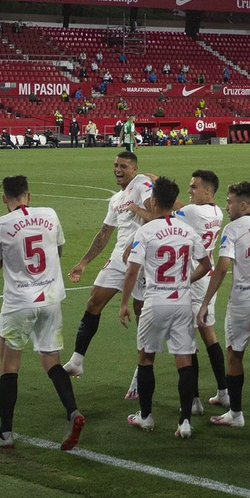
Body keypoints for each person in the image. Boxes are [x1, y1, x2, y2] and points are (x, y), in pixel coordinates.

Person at [0, 175, 86, 450]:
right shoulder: (50, 214)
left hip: (19, 302)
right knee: (51, 360)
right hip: (51, 299)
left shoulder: (0, 225)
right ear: (29, 195)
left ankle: (5, 434)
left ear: (4, 198)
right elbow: (59, 250)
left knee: (9, 366)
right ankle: (73, 412)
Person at [118, 178, 210, 438]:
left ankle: (145, 417)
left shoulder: (145, 231)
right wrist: (186, 281)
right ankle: (185, 422)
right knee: (184, 361)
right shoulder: (187, 230)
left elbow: (132, 269)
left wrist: (124, 302)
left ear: (154, 201)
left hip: (155, 302)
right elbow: (205, 265)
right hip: (182, 301)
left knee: (146, 358)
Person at [62, 152, 155, 383]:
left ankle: (140, 372)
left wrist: (136, 241)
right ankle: (76, 361)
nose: (117, 169)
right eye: (115, 165)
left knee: (140, 312)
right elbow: (104, 233)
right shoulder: (116, 199)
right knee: (94, 301)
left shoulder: (142, 183)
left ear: (134, 169)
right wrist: (83, 263)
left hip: (142, 257)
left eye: (123, 165)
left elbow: (155, 215)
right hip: (118, 256)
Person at [198, 181, 250, 428]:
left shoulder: (233, 228)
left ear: (244, 205)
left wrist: (205, 302)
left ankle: (236, 414)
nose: (226, 206)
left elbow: (223, 266)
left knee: (235, 354)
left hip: (242, 301)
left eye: (230, 201)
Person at [176, 170, 229, 412]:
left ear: (207, 190)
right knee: (209, 334)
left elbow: (167, 208)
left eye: (194, 187)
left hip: (192, 278)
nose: (189, 191)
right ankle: (223, 391)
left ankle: (194, 400)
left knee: (187, 340)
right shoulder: (217, 211)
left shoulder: (191, 212)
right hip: (208, 281)